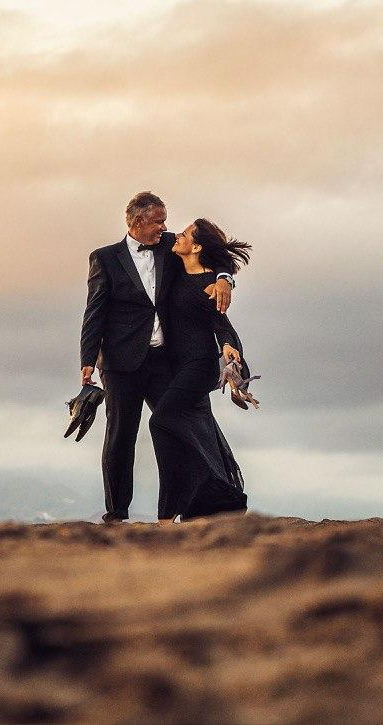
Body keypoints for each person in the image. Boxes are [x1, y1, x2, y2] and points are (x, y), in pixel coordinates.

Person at [80, 192, 235, 523]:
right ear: (137, 221)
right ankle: (117, 513)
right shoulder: (105, 258)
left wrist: (224, 279)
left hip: (164, 360)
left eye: (166, 221)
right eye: (159, 221)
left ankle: (191, 504)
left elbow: (213, 252)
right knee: (121, 436)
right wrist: (87, 362)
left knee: (176, 425)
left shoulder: (169, 246)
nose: (166, 227)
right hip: (121, 363)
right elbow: (94, 312)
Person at [148, 219, 251, 522]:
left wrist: (229, 349)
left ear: (196, 247)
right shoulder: (175, 264)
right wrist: (225, 276)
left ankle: (167, 514)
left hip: (199, 366)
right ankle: (216, 501)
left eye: (184, 234)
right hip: (177, 367)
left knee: (161, 422)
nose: (176, 235)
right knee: (196, 431)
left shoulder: (208, 284)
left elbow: (222, 324)